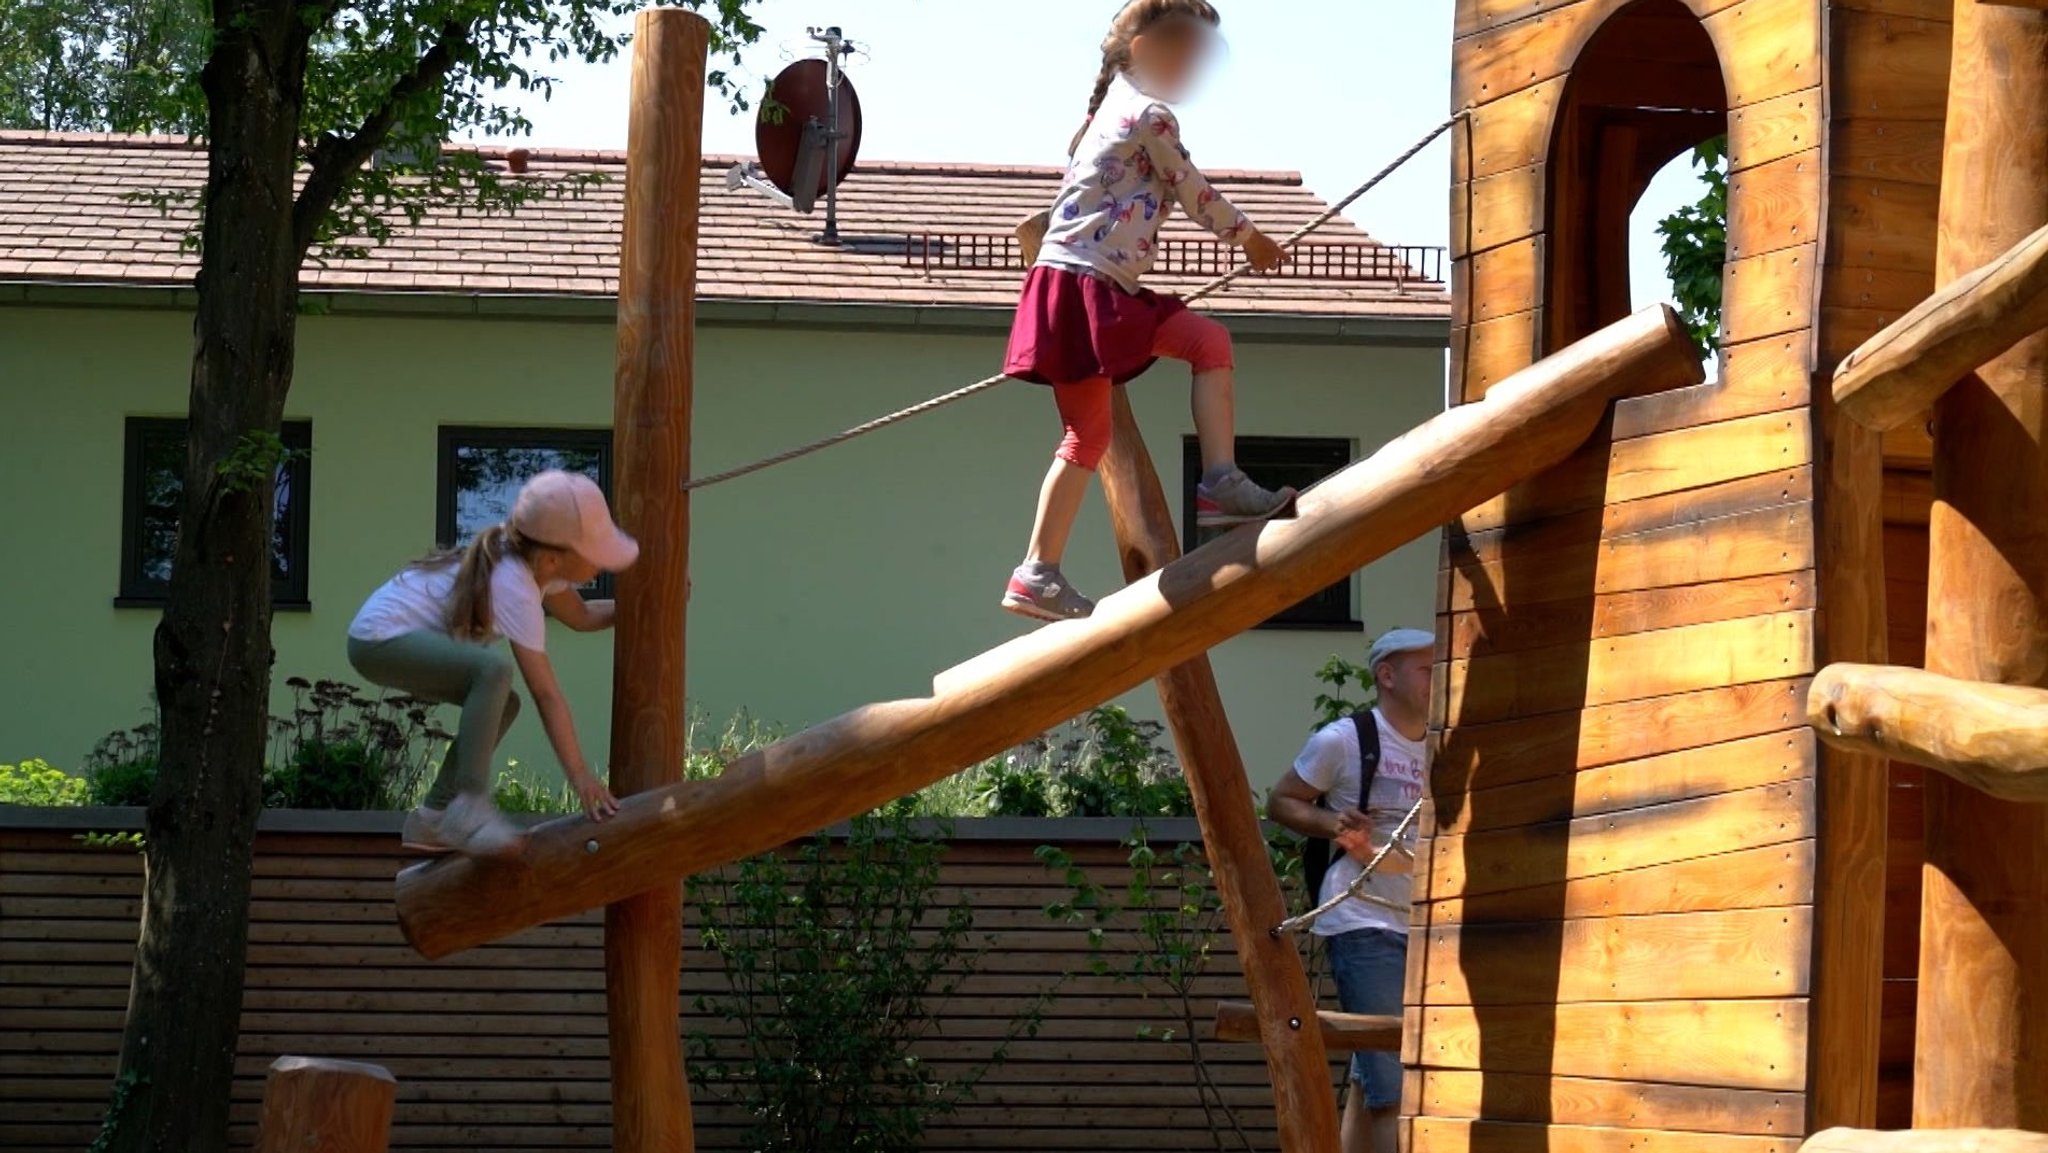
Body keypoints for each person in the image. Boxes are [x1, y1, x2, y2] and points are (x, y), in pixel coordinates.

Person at [1000, 0, 1297, 623]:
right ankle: (1036, 571)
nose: (1193, 67)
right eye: (1183, 52)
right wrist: (1248, 238)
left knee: (1208, 342)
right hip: (1086, 287)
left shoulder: (1105, 115)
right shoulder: (1146, 115)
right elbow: (1192, 188)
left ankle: (1220, 482)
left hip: (1095, 285)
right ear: (1143, 52)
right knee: (1088, 435)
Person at [346, 470, 636, 857]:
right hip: (379, 640)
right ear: (552, 558)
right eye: (596, 554)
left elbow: (582, 617)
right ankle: (470, 806)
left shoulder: (534, 566)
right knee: (493, 671)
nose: (603, 564)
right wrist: (581, 776)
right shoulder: (514, 583)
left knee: (503, 701)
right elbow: (547, 694)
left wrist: (649, 604)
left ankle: (431, 817)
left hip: (383, 640)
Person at [1269, 628, 1434, 1153]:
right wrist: (1335, 825)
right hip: (1364, 922)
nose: (1442, 676)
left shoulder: (1445, 741)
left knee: (1373, 1076)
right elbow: (1282, 802)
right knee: (1396, 1085)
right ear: (1387, 675)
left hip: (1425, 922)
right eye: (1428, 668)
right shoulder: (1344, 739)